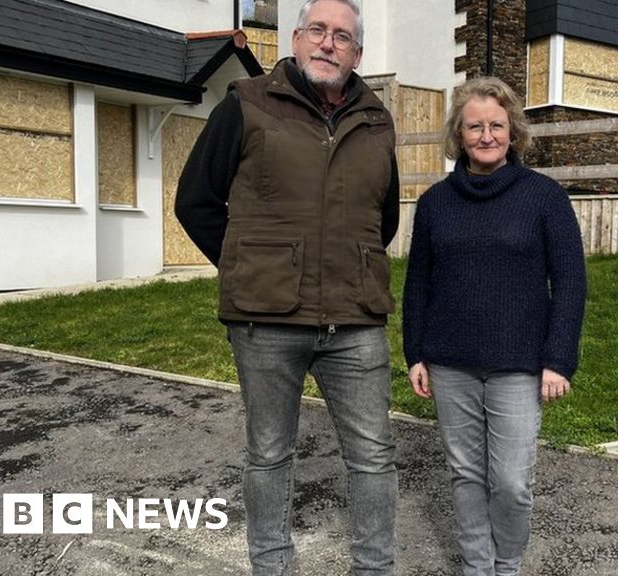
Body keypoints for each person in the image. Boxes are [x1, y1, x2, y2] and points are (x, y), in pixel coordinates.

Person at [175, 1, 399, 574]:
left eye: (342, 37)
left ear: (358, 54)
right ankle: (272, 566)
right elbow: (196, 201)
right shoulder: (246, 105)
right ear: (295, 40)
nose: (329, 44)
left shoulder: (377, 121)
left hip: (355, 321)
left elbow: (384, 217)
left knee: (373, 457)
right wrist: (250, 266)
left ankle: (374, 568)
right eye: (318, 31)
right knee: (270, 454)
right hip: (266, 320)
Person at [402, 77, 587, 576]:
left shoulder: (544, 197)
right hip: (449, 362)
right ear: (458, 135)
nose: (486, 135)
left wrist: (558, 359)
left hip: (519, 366)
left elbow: (570, 282)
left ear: (514, 132)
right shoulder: (436, 203)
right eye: (475, 126)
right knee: (465, 474)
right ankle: (476, 567)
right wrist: (414, 352)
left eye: (497, 125)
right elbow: (418, 282)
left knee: (510, 481)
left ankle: (506, 566)